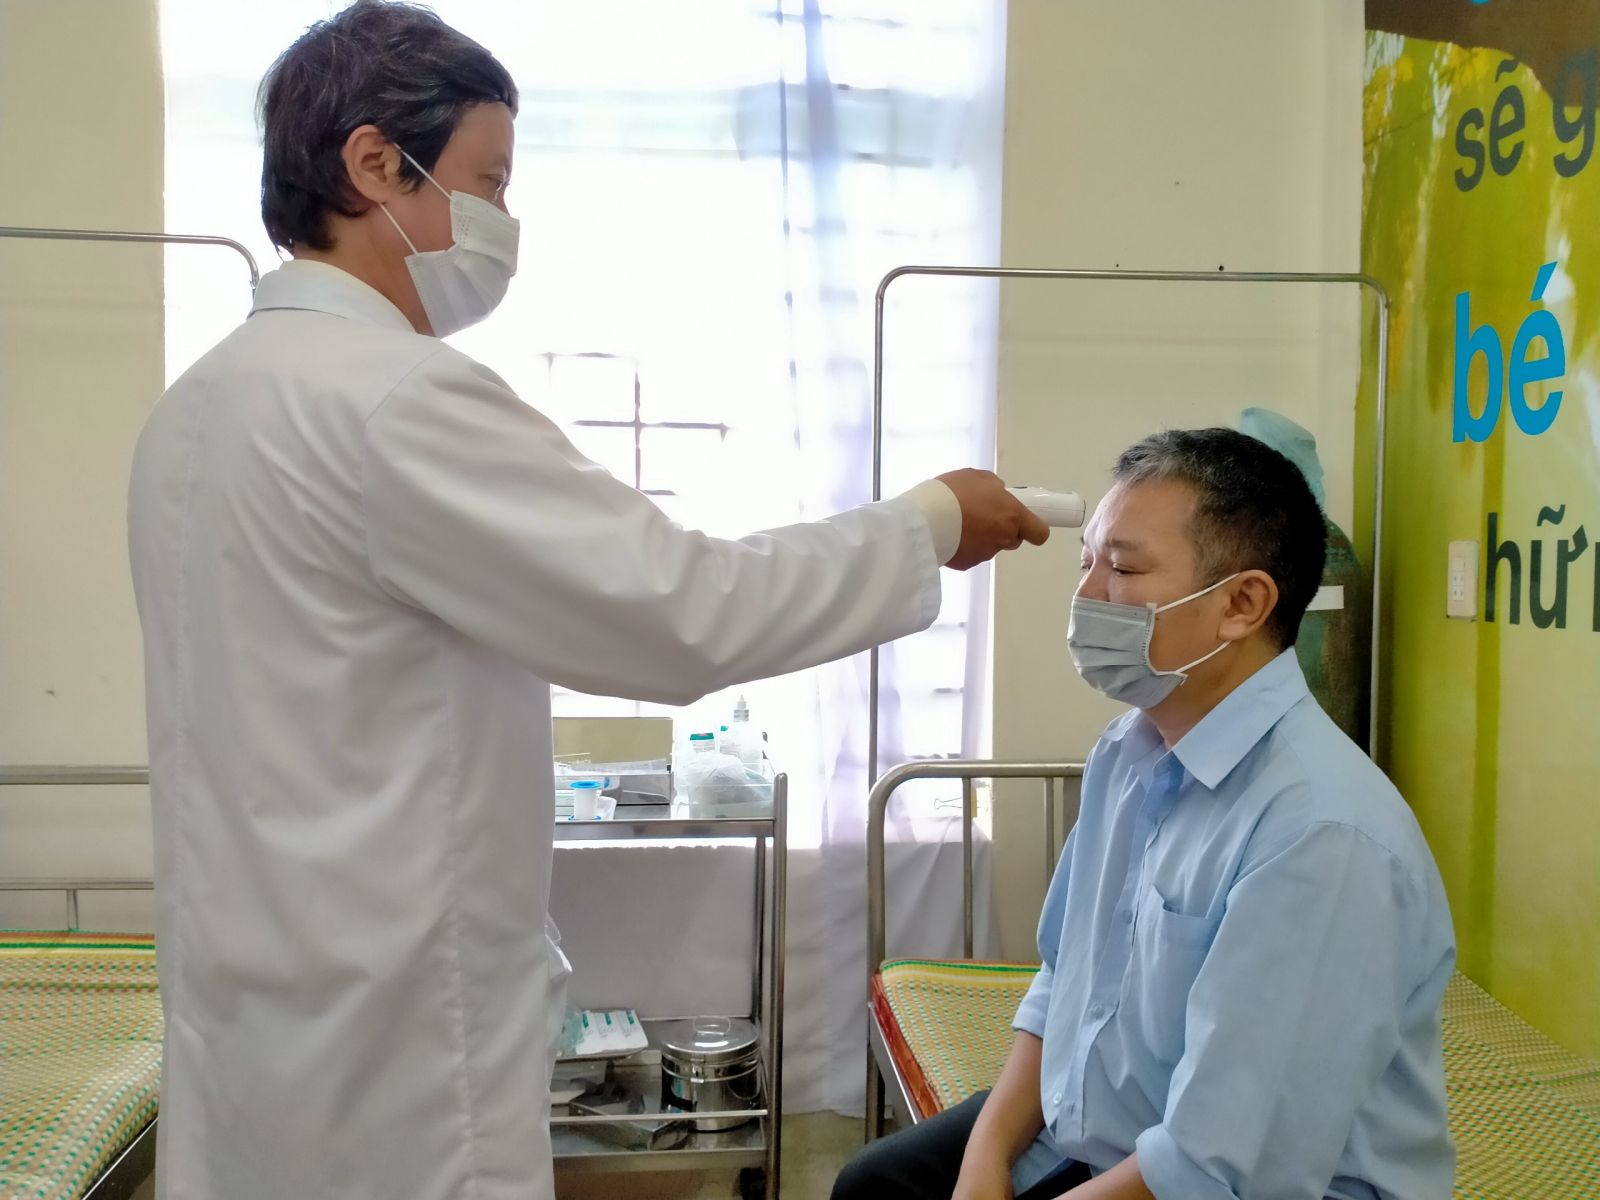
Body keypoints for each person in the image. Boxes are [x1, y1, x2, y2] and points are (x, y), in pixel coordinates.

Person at [125, 4, 1047, 1199]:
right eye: (488, 182)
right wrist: (925, 524)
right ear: (374, 164)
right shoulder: (397, 402)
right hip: (392, 1039)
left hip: (251, 1015)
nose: (502, 221)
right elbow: (684, 609)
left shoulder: (195, 409)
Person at [833, 427, 1456, 1200]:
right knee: (875, 1185)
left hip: (1231, 1185)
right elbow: (1063, 981)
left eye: (1123, 568)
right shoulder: (1127, 753)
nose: (1088, 596)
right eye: (1086, 562)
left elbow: (1212, 1167)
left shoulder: (1321, 836)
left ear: (1243, 604)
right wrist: (985, 1156)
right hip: (1107, 1137)